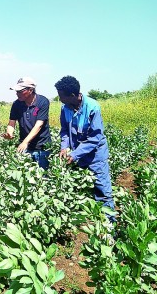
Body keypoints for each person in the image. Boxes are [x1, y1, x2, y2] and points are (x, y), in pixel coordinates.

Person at [54, 75, 116, 222]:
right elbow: (64, 131)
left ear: (73, 95)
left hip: (95, 155)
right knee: (81, 188)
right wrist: (64, 147)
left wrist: (75, 154)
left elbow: (95, 137)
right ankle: (91, 221)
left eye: (61, 95)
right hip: (77, 153)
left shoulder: (93, 107)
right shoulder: (65, 108)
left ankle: (109, 227)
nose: (59, 98)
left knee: (102, 190)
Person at [2, 77, 51, 170]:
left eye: (20, 91)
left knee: (43, 178)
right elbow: (12, 122)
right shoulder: (17, 104)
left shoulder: (43, 101)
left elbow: (39, 125)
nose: (17, 94)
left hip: (42, 147)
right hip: (25, 147)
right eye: (16, 91)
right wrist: (9, 133)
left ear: (30, 90)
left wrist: (25, 142)